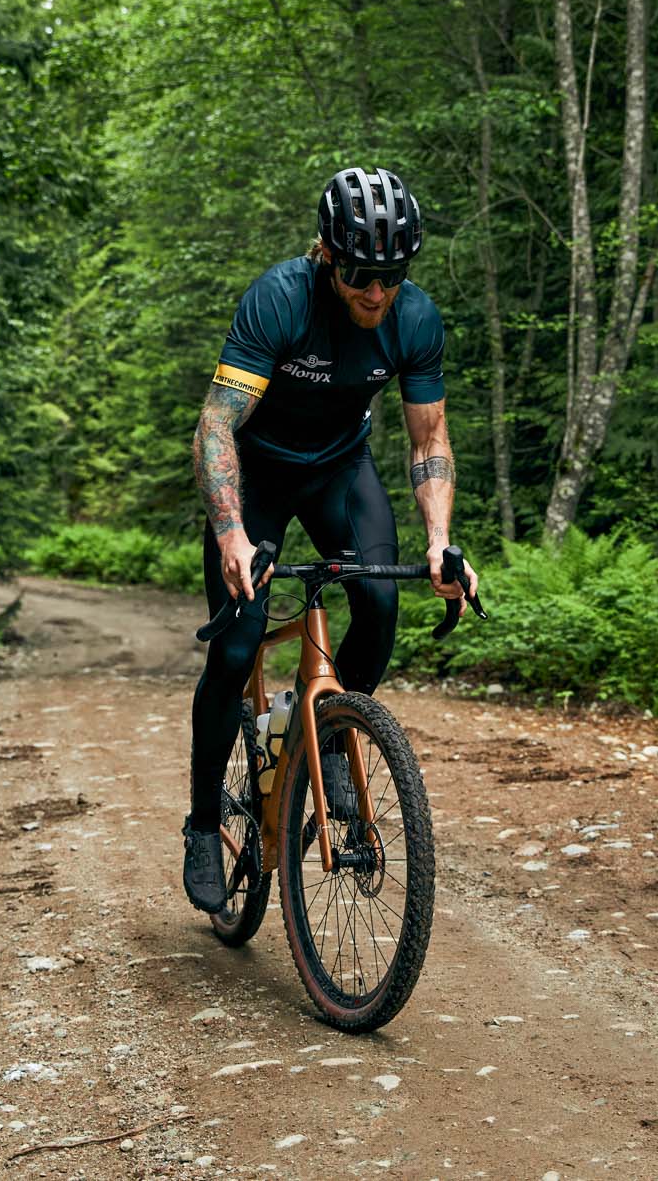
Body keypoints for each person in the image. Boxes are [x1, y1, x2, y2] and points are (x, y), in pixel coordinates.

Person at [182, 165, 480, 912]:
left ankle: (330, 727)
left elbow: (429, 438)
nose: (374, 292)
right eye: (356, 274)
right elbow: (216, 424)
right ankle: (202, 822)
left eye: (391, 274)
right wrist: (229, 533)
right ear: (325, 255)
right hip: (259, 475)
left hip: (339, 472)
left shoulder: (414, 319)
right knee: (240, 641)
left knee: (379, 604)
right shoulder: (281, 299)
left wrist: (441, 540)